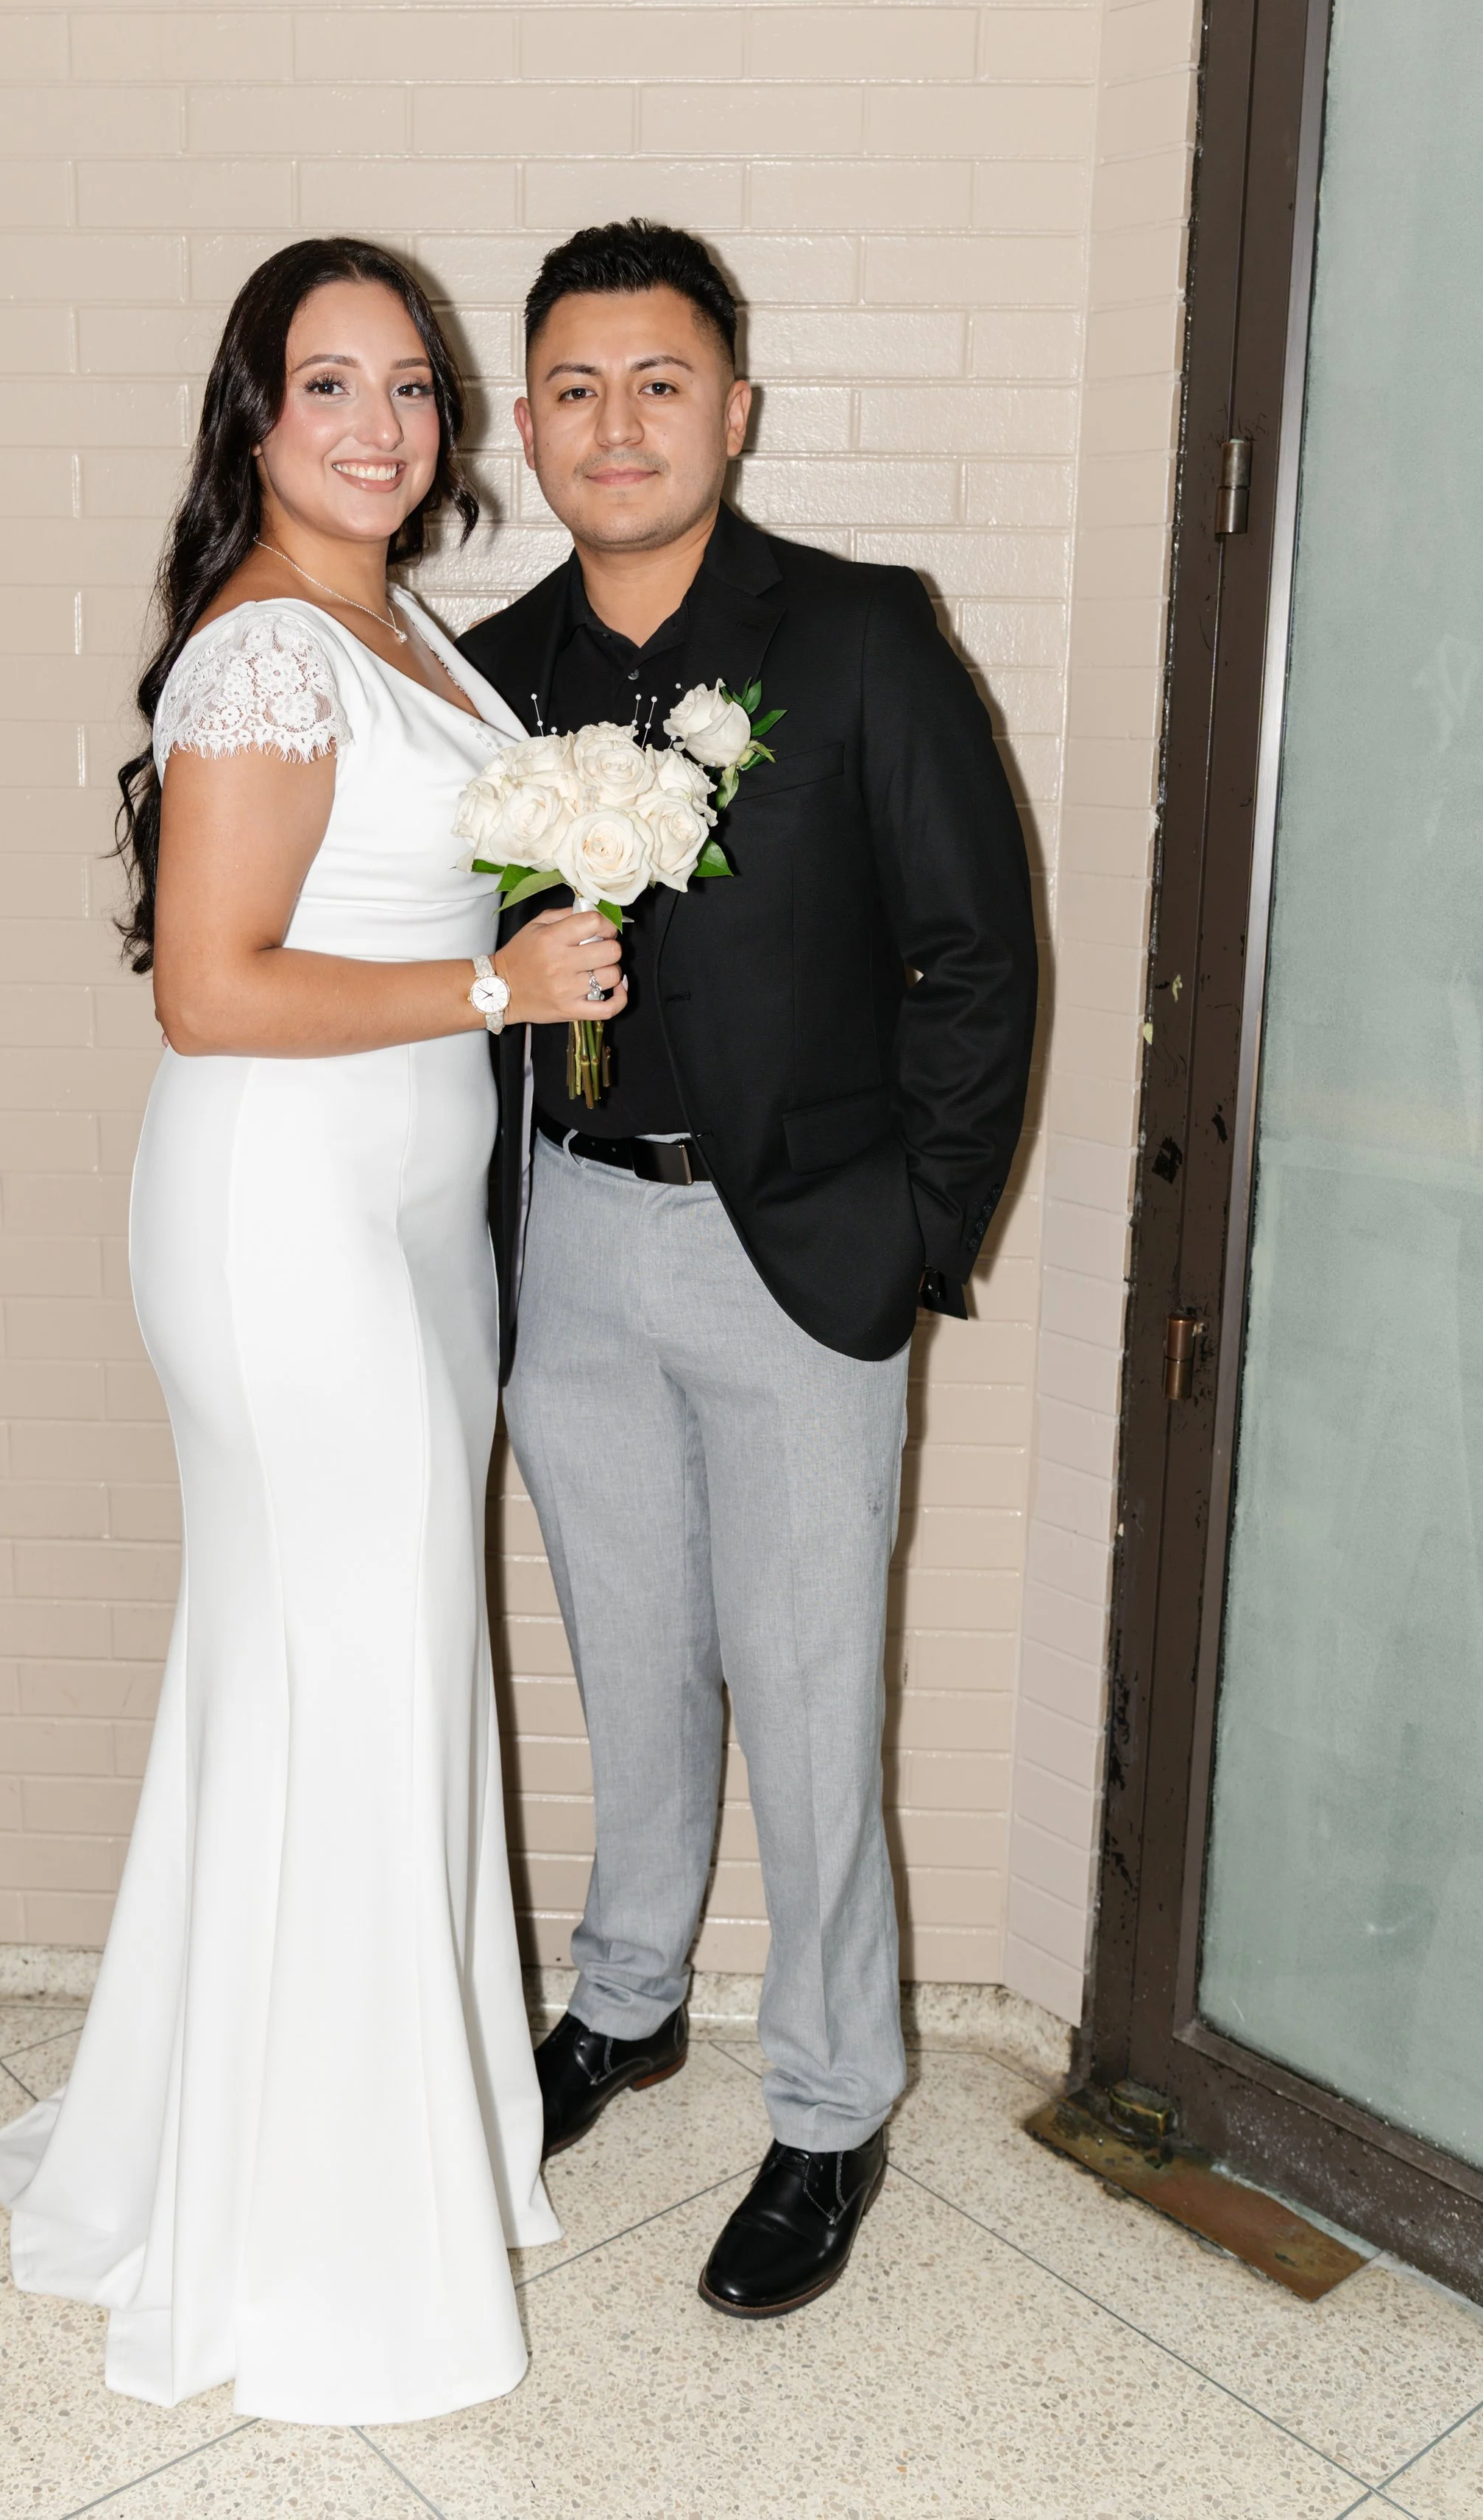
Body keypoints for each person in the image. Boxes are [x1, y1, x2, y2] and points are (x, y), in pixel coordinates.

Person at [0, 240, 626, 2424]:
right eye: (326, 384)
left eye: (410, 386)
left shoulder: (392, 619)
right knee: (356, 1677)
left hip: (402, 1218)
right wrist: (488, 987)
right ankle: (330, 2249)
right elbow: (209, 985)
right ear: (250, 413)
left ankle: (275, 2142)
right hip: (284, 1225)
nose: (378, 422)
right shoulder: (261, 650)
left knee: (350, 1673)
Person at [459, 219, 1038, 2321]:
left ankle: (829, 2101)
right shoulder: (488, 667)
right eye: (577, 388)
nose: (618, 422)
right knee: (628, 1660)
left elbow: (977, 957)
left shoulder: (859, 635)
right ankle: (625, 2001)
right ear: (529, 423)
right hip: (571, 1243)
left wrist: (911, 1238)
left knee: (804, 1700)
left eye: (661, 380)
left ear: (734, 405)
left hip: (795, 1256)